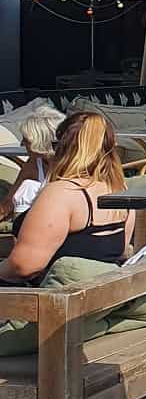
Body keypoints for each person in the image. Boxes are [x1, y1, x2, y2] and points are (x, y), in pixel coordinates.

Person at [0, 112, 130, 285]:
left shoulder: (61, 193)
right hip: (95, 291)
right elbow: (121, 250)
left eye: (56, 144)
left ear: (65, 147)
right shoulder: (119, 188)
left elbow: (23, 267)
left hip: (49, 298)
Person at [2, 107, 66, 219]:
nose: (22, 144)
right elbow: (8, 203)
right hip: (37, 224)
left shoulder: (74, 164)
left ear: (40, 141)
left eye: (26, 140)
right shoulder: (34, 164)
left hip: (64, 222)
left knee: (29, 187)